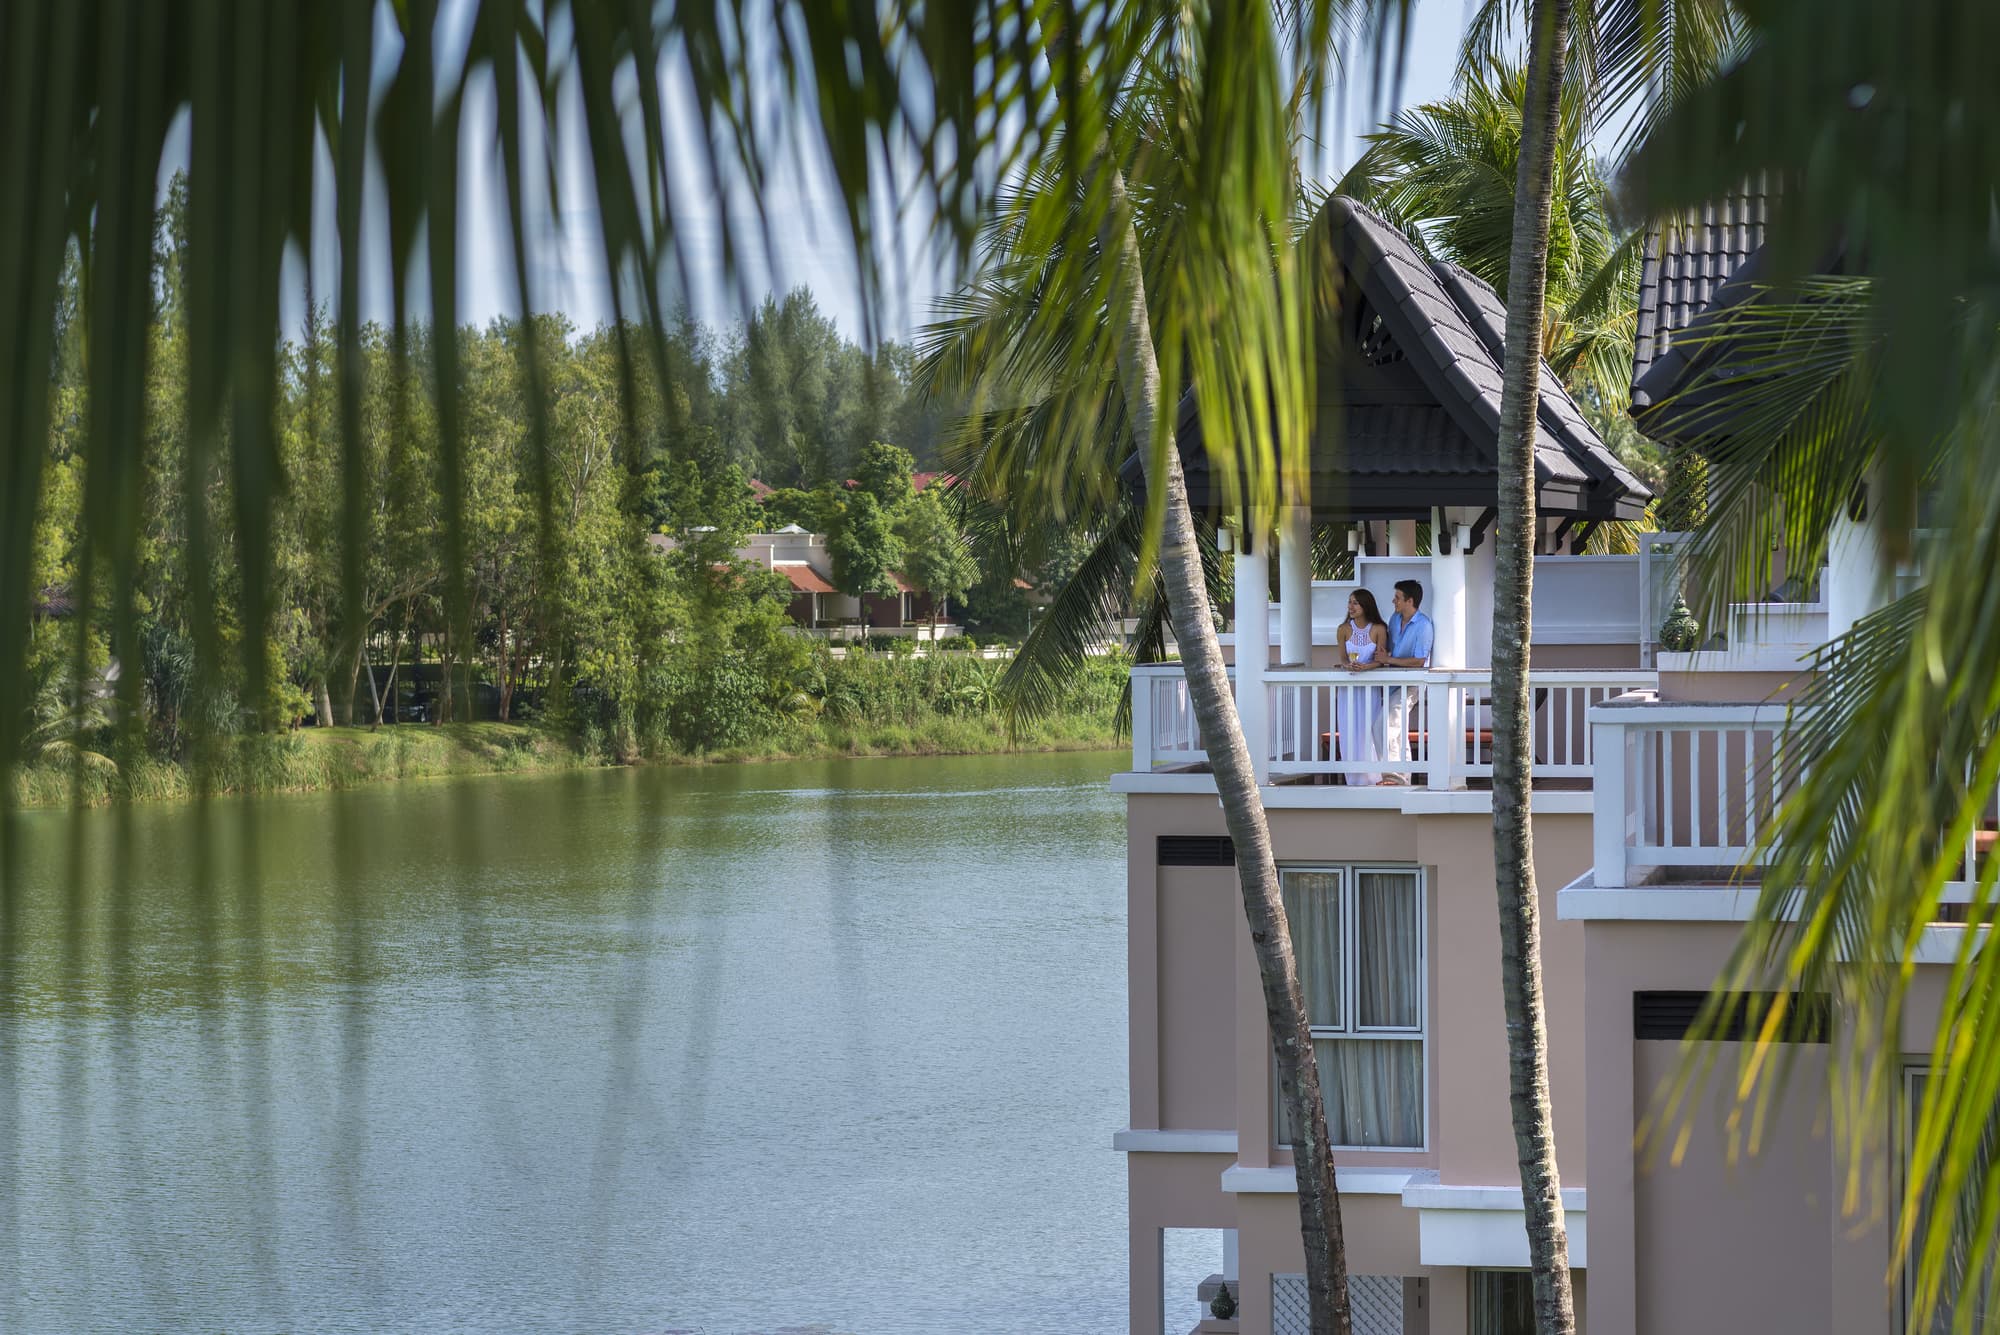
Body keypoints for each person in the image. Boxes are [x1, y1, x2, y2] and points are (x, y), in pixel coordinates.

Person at [1332, 589, 1390, 784]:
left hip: (1369, 689)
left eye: (1355, 603)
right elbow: (1341, 658)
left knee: (1369, 729)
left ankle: (1373, 777)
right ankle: (1354, 779)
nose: (1351, 607)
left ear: (1366, 605)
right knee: (1349, 731)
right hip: (1348, 689)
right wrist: (1347, 665)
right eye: (1349, 602)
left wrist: (1366, 667)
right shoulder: (1343, 629)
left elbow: (1381, 661)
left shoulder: (1379, 629)